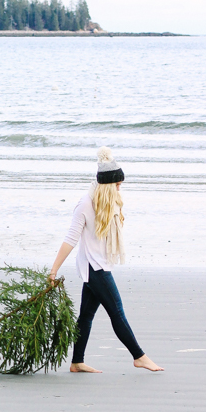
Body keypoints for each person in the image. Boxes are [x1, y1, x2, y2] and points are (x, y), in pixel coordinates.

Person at [49, 148, 163, 373]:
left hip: (99, 265)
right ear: (108, 184)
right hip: (94, 268)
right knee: (117, 312)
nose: (120, 188)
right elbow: (70, 240)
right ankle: (139, 356)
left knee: (86, 316)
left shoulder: (109, 203)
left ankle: (76, 362)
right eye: (118, 185)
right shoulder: (85, 204)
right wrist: (53, 271)